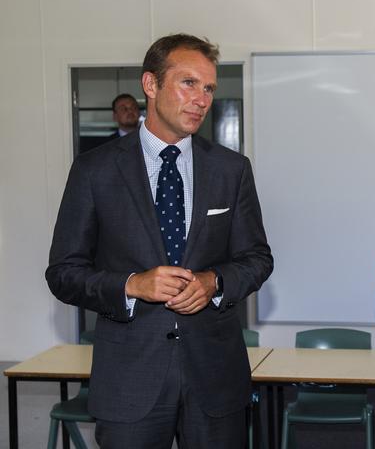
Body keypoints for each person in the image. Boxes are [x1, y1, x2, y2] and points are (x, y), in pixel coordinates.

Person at [46, 33, 273, 449]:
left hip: (215, 378)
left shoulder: (231, 169)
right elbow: (63, 273)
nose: (201, 99)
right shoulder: (94, 171)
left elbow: (257, 258)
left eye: (208, 88)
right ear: (150, 85)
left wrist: (214, 282)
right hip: (130, 379)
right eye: (188, 83)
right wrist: (131, 285)